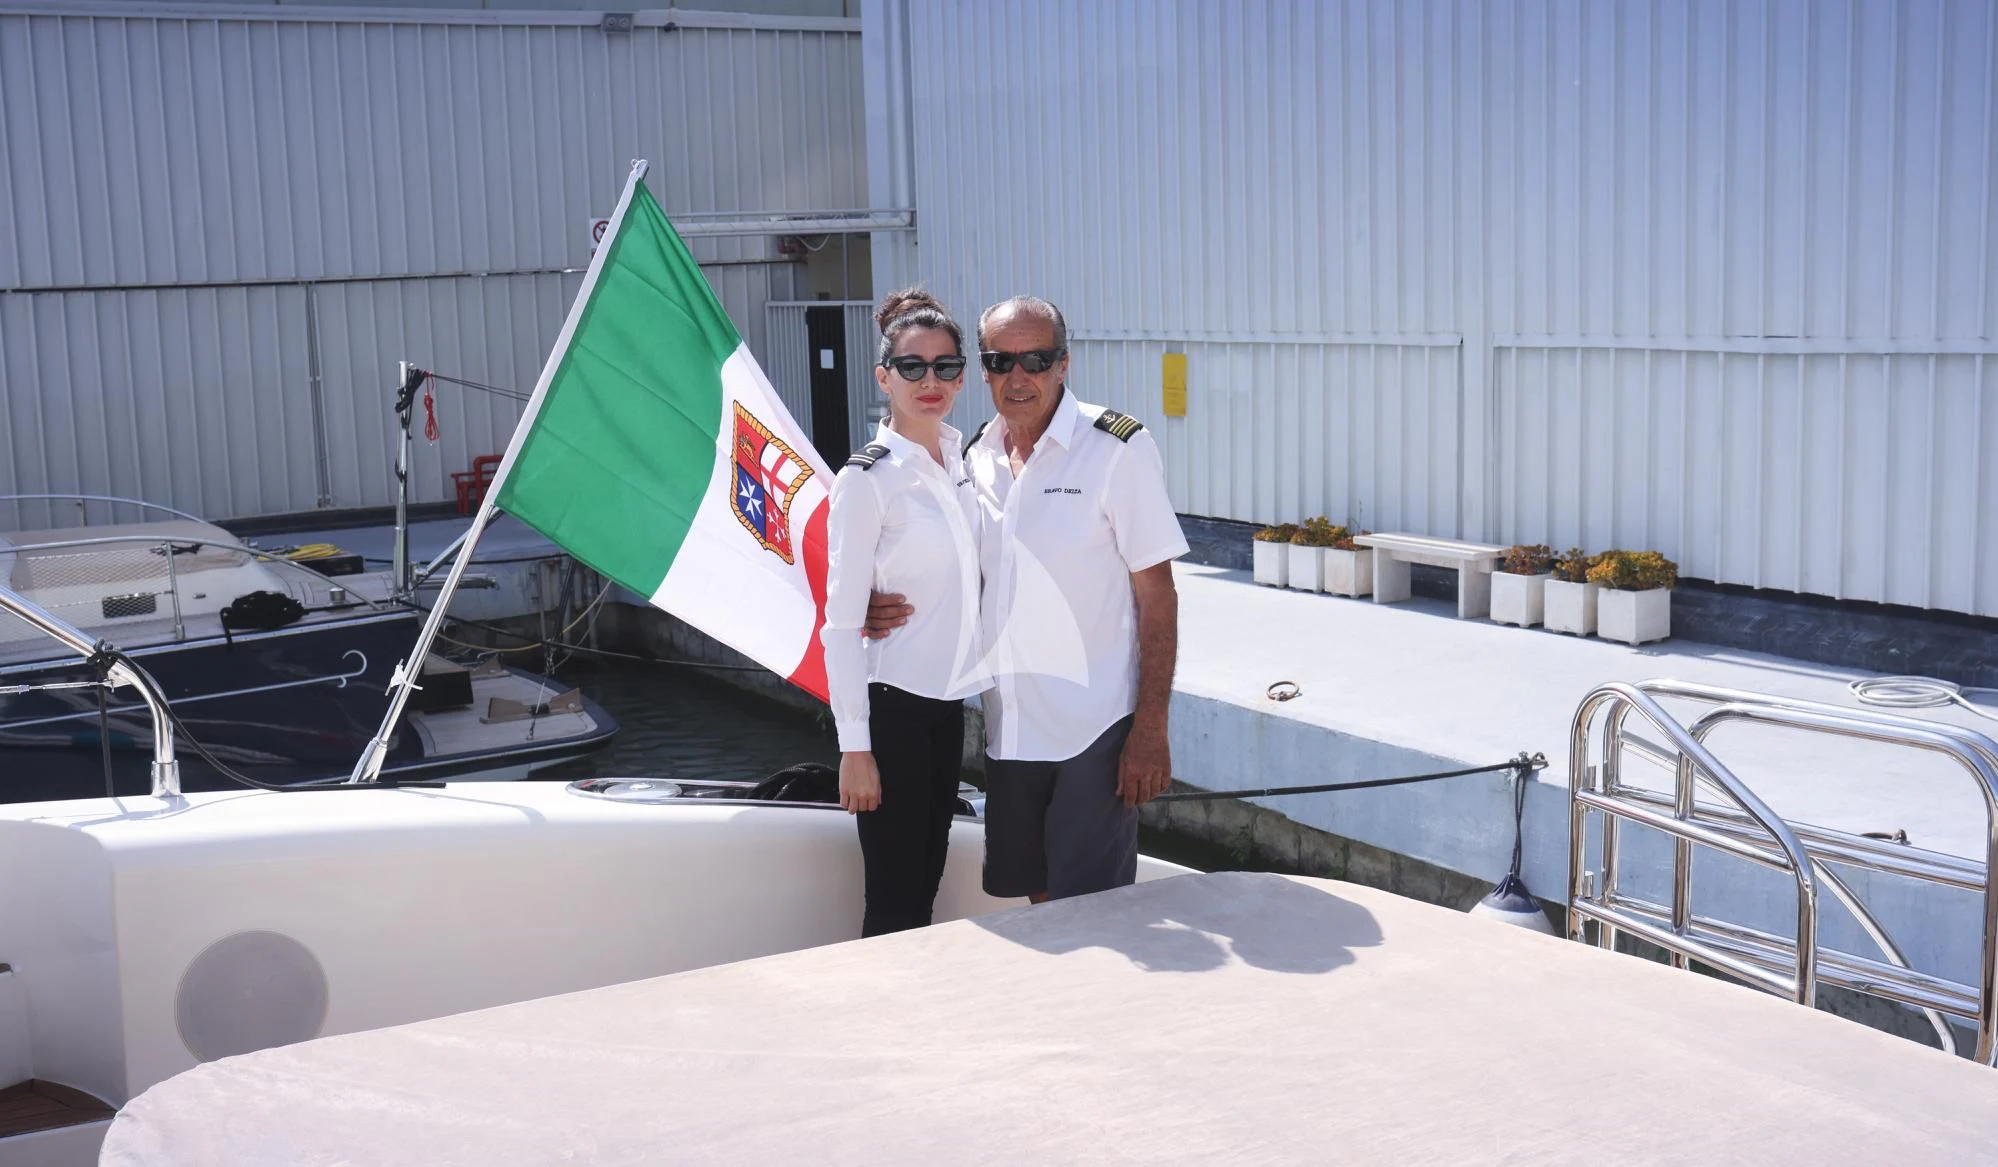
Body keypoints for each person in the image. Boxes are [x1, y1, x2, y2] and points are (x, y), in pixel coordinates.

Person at [870, 295, 1186, 902]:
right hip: (1009, 732)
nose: (1019, 377)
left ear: (1063, 364)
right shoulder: (974, 457)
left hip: (1092, 730)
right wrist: (868, 605)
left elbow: (1158, 597)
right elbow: (948, 568)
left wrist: (1151, 729)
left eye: (1036, 360)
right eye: (1000, 361)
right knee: (1037, 906)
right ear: (982, 370)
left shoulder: (1117, 449)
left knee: (1090, 915)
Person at [821, 288, 990, 937]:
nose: (930, 381)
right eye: (912, 367)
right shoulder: (867, 477)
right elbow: (839, 623)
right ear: (883, 377)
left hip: (947, 708)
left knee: (925, 889)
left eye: (945, 366)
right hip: (890, 708)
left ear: (961, 376)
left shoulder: (963, 461)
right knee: (893, 901)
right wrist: (854, 749)